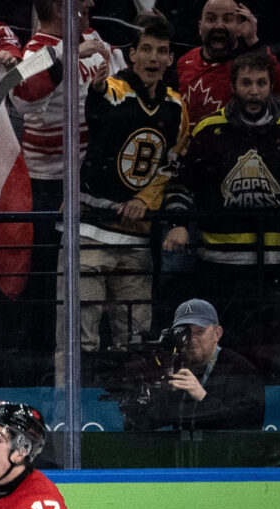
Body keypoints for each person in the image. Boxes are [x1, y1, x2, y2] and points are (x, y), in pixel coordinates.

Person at [56, 14, 188, 380]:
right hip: (87, 234)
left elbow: (173, 165)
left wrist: (146, 199)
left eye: (161, 51)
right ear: (132, 55)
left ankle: (132, 412)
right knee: (77, 340)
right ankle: (67, 411)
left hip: (135, 240)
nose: (153, 57)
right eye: (146, 49)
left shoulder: (177, 106)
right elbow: (100, 108)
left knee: (136, 343)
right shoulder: (113, 89)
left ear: (170, 58)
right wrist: (97, 89)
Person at [9, 0, 126, 380]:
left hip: (92, 183)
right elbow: (21, 94)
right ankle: (41, 369)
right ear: (61, 9)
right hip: (47, 185)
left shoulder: (94, 37)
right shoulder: (35, 51)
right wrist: (69, 55)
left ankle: (95, 367)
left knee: (92, 277)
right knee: (48, 278)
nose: (90, 4)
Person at [161, 51, 280, 373]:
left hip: (277, 268)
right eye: (246, 83)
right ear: (232, 86)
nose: (254, 91)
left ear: (271, 86)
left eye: (261, 83)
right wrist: (178, 223)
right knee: (227, 356)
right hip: (219, 269)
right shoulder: (209, 129)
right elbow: (181, 183)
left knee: (276, 354)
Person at [123, 298, 265, 431]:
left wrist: (203, 397)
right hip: (182, 447)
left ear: (217, 333)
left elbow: (249, 425)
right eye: (185, 333)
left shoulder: (241, 370)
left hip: (220, 448)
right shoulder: (172, 365)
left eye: (199, 331)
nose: (191, 339)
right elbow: (139, 424)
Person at [176, 0, 280, 129]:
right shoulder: (185, 61)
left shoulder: (247, 66)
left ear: (239, 28)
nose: (219, 25)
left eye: (227, 20)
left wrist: (253, 40)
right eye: (211, 19)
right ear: (200, 27)